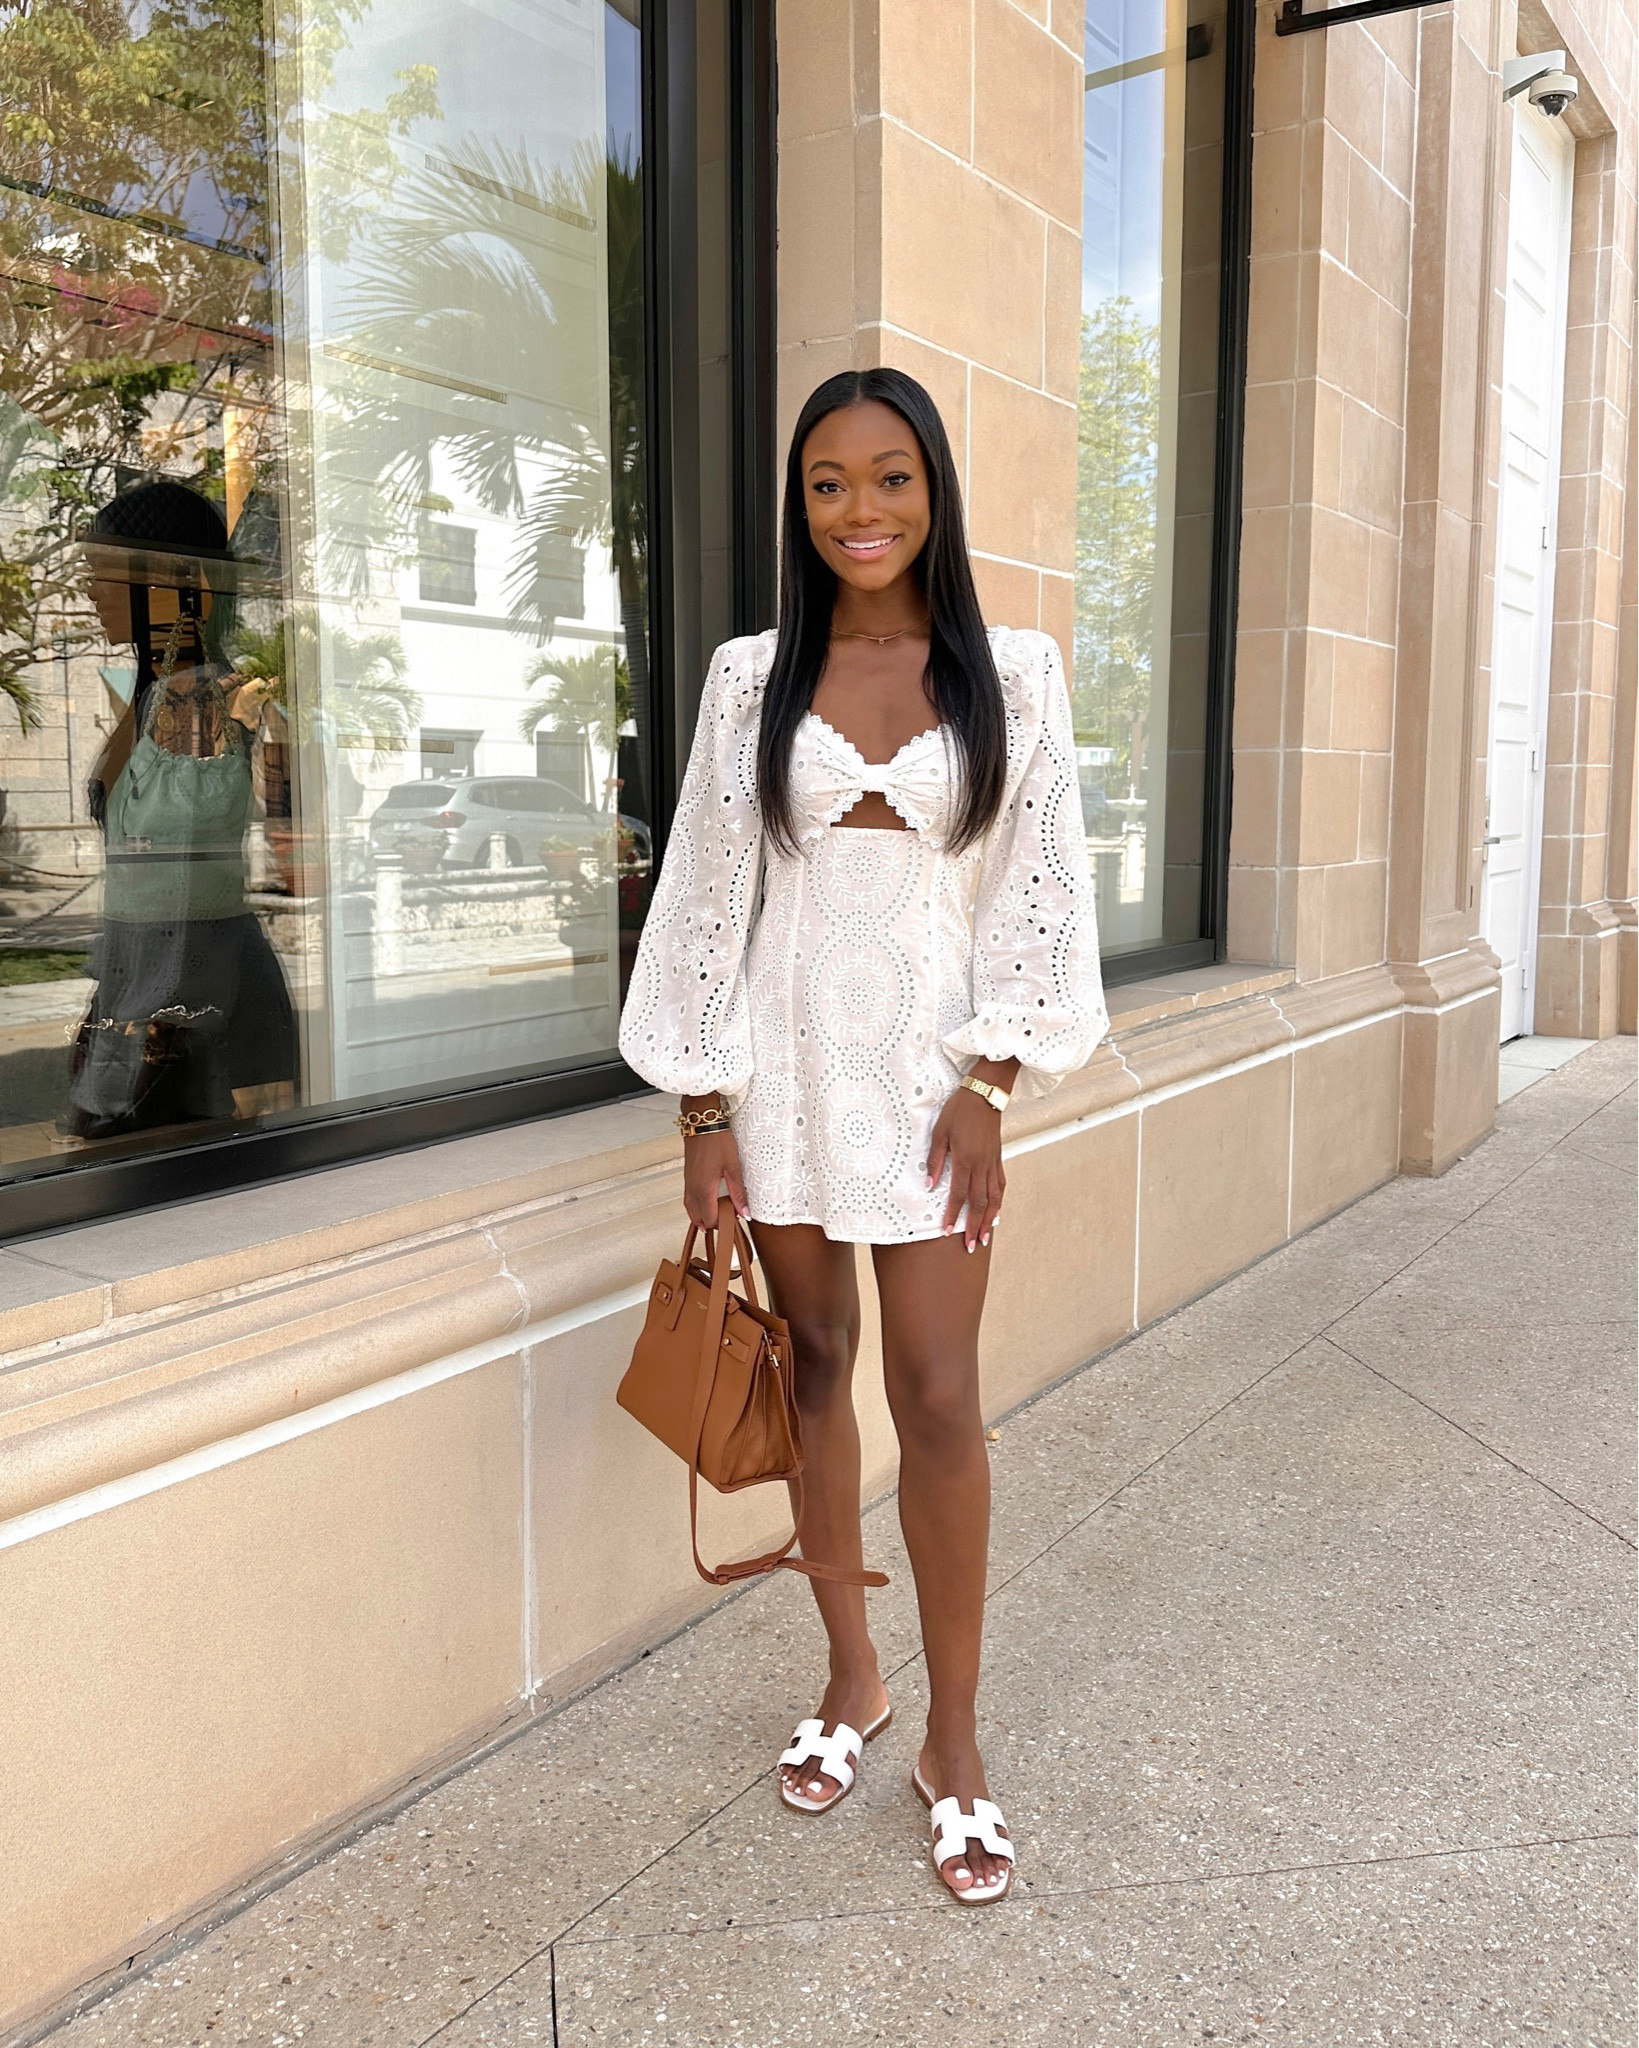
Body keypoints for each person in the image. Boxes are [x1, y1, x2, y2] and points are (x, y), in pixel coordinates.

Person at [618, 368, 1108, 1905]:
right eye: (827, 484)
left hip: (929, 1083)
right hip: (780, 1074)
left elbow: (1042, 886)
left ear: (933, 488)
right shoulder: (748, 676)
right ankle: (850, 1677)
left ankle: (952, 1741)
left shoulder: (1009, 671)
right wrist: (703, 1109)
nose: (859, 511)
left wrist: (995, 1077)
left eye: (887, 477)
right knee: (813, 1369)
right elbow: (706, 891)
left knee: (942, 1395)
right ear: (800, 506)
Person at [65, 479, 297, 1141]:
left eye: (105, 573)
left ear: (178, 582)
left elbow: (181, 855)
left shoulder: (198, 700)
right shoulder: (155, 698)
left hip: (191, 998)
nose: (91, 590)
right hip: (152, 986)